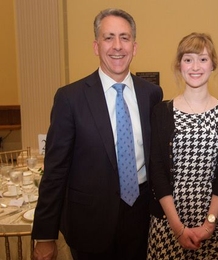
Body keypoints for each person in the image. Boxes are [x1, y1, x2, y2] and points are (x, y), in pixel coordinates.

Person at [31, 8, 163, 260]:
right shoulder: (69, 98)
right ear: (96, 45)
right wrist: (45, 235)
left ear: (134, 47)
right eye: (108, 37)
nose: (117, 46)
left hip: (142, 221)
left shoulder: (152, 94)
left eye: (124, 38)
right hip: (88, 224)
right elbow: (55, 171)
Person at [147, 32, 218, 259]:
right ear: (179, 65)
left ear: (213, 65)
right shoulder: (161, 112)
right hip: (168, 223)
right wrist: (177, 227)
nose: (195, 66)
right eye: (188, 59)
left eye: (203, 59)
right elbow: (157, 172)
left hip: (216, 222)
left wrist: (209, 224)